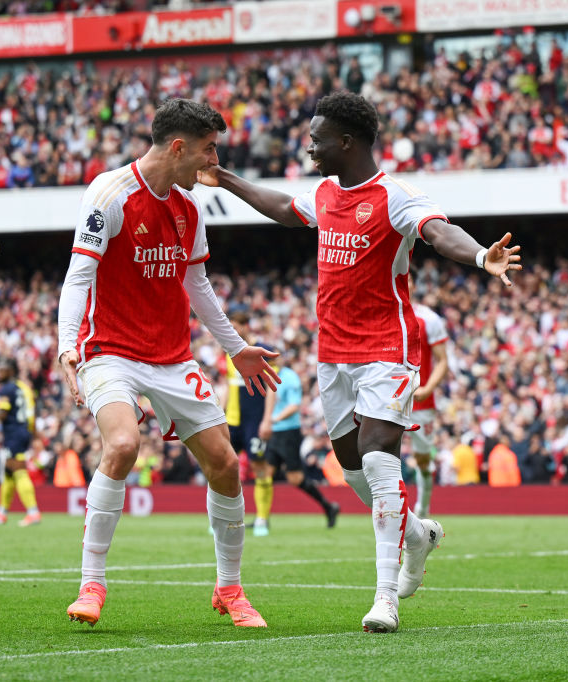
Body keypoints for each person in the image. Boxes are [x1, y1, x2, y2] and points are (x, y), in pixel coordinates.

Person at [200, 90, 521, 633]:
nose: (309, 145)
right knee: (352, 469)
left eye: (316, 137)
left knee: (377, 456)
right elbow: (283, 208)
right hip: (333, 354)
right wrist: (225, 178)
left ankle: (385, 597)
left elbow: (440, 233)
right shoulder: (325, 193)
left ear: (345, 142)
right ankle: (418, 536)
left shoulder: (396, 196)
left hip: (386, 350)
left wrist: (481, 255)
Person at [56, 98, 279, 629]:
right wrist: (68, 345)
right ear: (179, 148)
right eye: (209, 150)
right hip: (108, 349)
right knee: (124, 444)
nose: (214, 161)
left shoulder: (189, 208)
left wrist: (236, 347)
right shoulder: (108, 194)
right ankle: (92, 584)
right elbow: (78, 277)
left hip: (171, 357)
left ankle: (229, 589)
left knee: (225, 465)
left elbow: (196, 284)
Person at [257, 346, 340, 533]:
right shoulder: (270, 376)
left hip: (288, 432)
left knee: (295, 478)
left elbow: (294, 406)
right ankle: (262, 518)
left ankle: (328, 506)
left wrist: (272, 419)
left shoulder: (289, 378)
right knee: (264, 474)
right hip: (275, 432)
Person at [223, 311, 271, 536]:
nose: (232, 331)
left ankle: (262, 518)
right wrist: (220, 413)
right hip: (233, 420)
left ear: (245, 325)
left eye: (235, 326)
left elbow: (272, 388)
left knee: (259, 467)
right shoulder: (228, 351)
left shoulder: (260, 350)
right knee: (225, 467)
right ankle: (226, 518)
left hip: (255, 419)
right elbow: (228, 384)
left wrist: (267, 419)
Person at [407, 276, 449, 518]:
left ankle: (422, 507)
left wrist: (428, 387)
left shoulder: (429, 318)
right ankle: (391, 510)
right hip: (388, 398)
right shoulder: (381, 312)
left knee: (422, 458)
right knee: (381, 453)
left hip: (421, 400)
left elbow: (443, 360)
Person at [0, 357, 42, 527]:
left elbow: (2, 414)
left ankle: (33, 512)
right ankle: (2, 512)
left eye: (1, 369)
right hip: (23, 431)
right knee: (8, 471)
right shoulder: (23, 387)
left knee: (18, 470)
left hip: (14, 433)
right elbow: (31, 409)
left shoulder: (6, 390)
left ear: (10, 371)